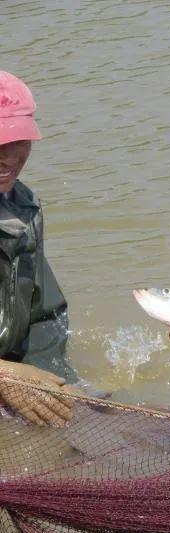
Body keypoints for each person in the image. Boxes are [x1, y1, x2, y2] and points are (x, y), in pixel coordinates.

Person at [0, 71, 77, 426]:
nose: (10, 157)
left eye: (19, 140)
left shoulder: (22, 206)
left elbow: (44, 313)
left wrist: (55, 381)